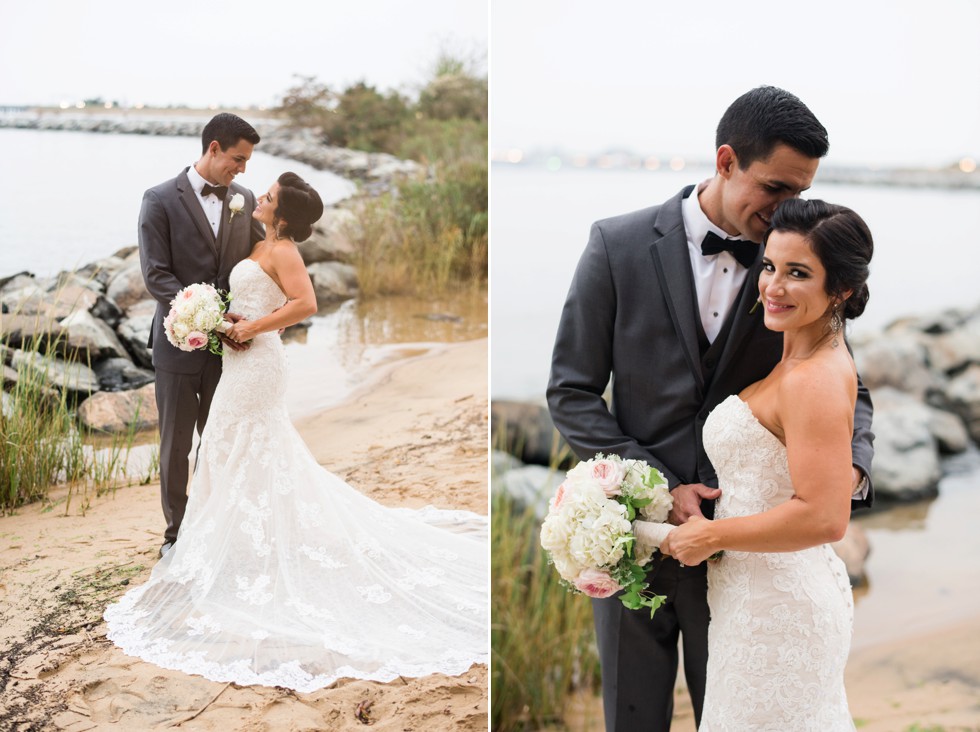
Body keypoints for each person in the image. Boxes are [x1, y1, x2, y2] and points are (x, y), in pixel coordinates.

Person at [546, 86, 874, 731]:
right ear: (726, 161)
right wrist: (657, 490)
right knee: (632, 717)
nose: (790, 209)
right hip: (633, 538)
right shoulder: (616, 245)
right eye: (777, 188)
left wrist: (848, 473)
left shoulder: (791, 269)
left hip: (748, 559)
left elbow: (847, 388)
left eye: (802, 190)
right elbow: (571, 390)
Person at [105, 173, 487, 692]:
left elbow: (304, 305)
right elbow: (265, 301)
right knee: (232, 447)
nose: (256, 197)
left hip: (257, 363)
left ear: (281, 215)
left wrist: (247, 328)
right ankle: (230, 540)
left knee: (240, 445)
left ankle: (239, 546)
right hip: (244, 360)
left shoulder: (282, 249)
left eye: (267, 198)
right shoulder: (263, 241)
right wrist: (223, 319)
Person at [656, 198, 874, 729]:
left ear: (840, 289)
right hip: (751, 600)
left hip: (781, 613)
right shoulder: (794, 354)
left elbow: (825, 518)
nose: (773, 287)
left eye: (798, 273)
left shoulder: (814, 378)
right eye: (770, 266)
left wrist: (712, 536)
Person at [139, 113, 264, 557]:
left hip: (230, 349)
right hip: (176, 344)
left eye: (247, 161)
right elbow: (156, 276)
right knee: (175, 445)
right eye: (237, 159)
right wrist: (209, 315)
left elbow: (261, 260)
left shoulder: (245, 199)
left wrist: (271, 309)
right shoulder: (158, 200)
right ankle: (176, 534)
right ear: (213, 148)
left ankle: (217, 527)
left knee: (220, 439)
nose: (242, 169)